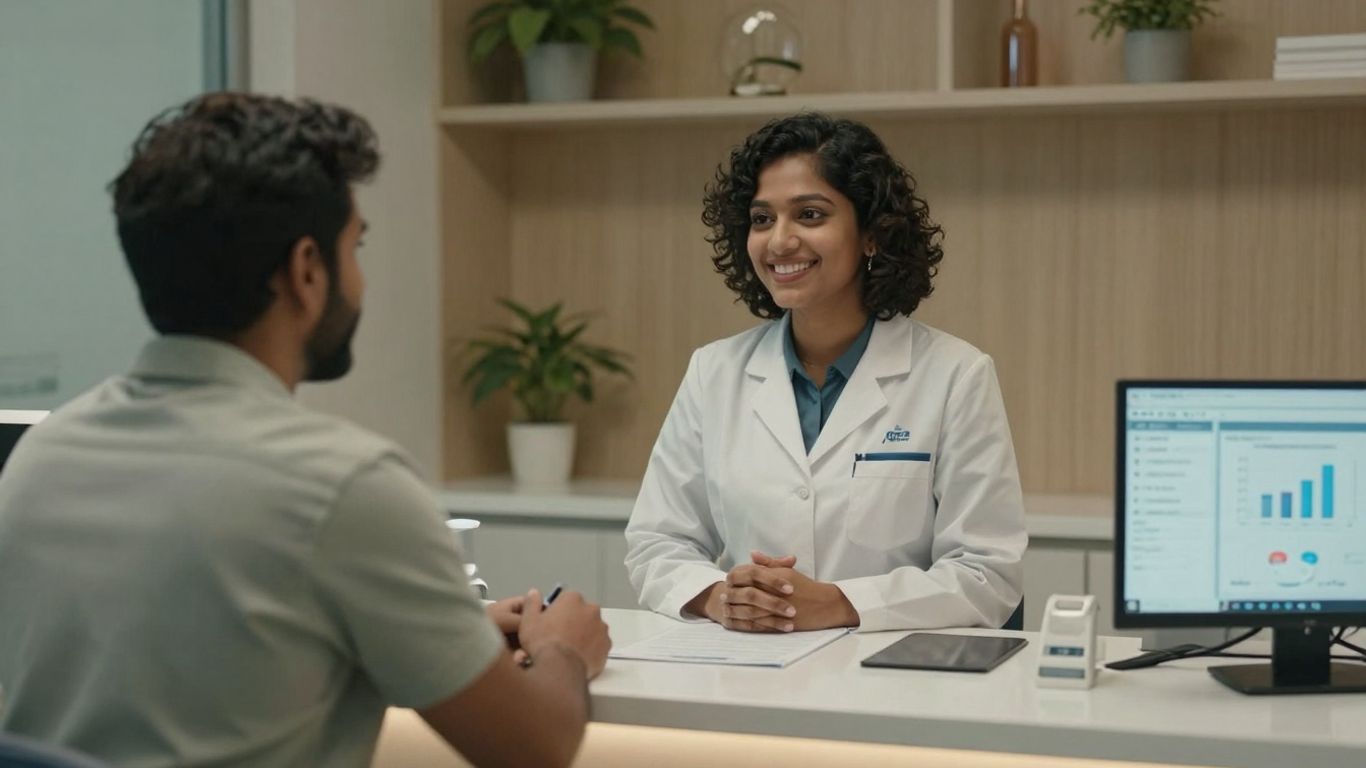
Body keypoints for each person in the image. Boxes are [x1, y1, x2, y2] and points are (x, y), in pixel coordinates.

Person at [0, 93, 609, 768]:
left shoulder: (38, 461)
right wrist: (564, 651)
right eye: (357, 247)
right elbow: (536, 747)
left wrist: (444, 637)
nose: (362, 280)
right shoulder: (344, 486)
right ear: (307, 271)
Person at [624, 112, 1026, 634]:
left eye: (810, 214)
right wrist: (721, 597)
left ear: (872, 236)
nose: (779, 241)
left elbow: (987, 574)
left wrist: (839, 603)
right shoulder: (714, 371)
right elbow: (658, 542)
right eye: (762, 219)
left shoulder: (955, 375)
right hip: (747, 670)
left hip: (891, 680)